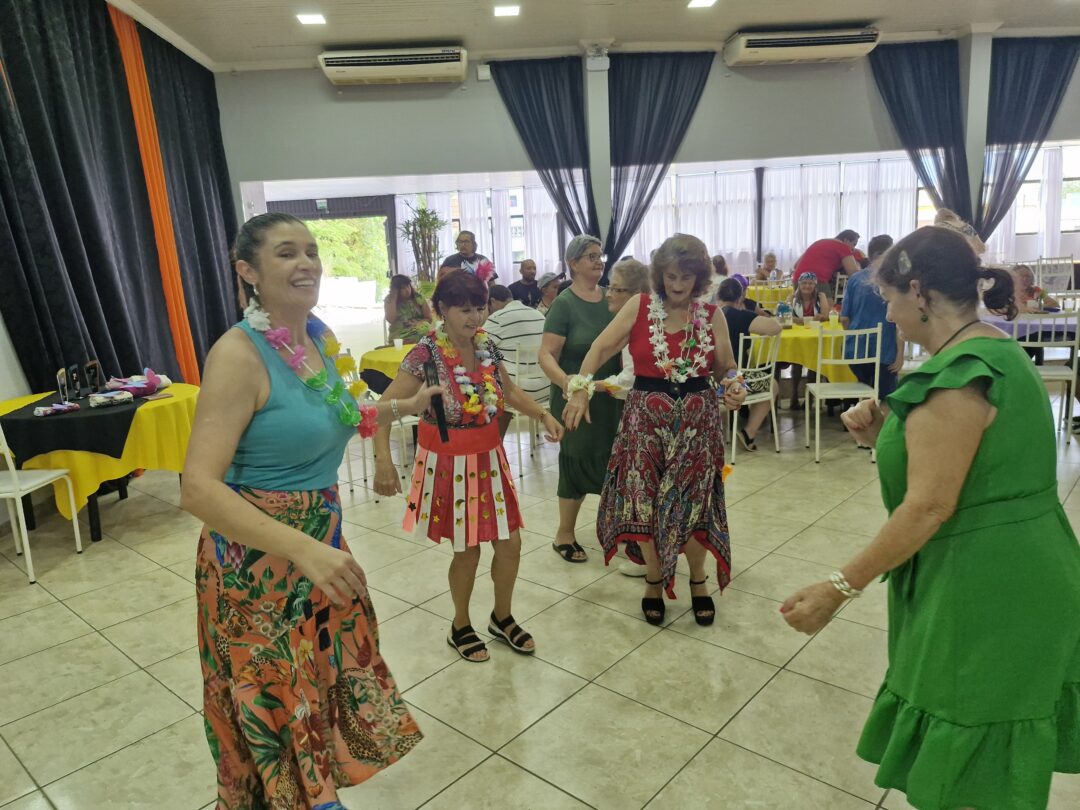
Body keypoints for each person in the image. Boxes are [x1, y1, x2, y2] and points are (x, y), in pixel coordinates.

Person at [781, 225, 1080, 810]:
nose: (889, 315)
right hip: (1022, 564)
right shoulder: (996, 349)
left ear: (919, 292)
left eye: (890, 299)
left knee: (968, 758)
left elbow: (930, 506)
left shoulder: (954, 377)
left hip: (984, 582)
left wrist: (837, 587)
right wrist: (883, 439)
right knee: (986, 753)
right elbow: (972, 473)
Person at [181, 213, 441, 806]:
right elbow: (197, 488)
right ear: (248, 271)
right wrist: (303, 549)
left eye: (312, 251)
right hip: (256, 565)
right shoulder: (239, 354)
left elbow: (337, 413)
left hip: (318, 543)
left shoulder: (318, 339)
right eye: (285, 253)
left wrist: (402, 408)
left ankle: (317, 792)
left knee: (317, 682)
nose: (306, 264)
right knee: (276, 697)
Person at [373, 271, 564, 663]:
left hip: (489, 458)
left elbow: (508, 391)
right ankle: (460, 624)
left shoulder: (486, 345)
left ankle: (501, 617)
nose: (475, 317)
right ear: (442, 309)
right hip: (448, 464)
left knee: (510, 544)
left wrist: (543, 414)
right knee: (468, 550)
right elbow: (383, 410)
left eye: (480, 307)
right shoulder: (424, 354)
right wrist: (384, 462)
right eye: (464, 310)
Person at [565, 234, 746, 625]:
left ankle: (697, 579)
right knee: (643, 504)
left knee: (694, 505)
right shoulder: (640, 306)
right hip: (644, 423)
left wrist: (734, 385)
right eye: (670, 276)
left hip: (697, 426)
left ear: (700, 278)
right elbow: (599, 348)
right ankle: (653, 578)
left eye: (686, 277)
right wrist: (580, 388)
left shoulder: (711, 315)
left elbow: (725, 367)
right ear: (659, 274)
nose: (677, 285)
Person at [539, 235, 620, 563]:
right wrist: (567, 383)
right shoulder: (565, 304)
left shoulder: (612, 298)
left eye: (600, 256)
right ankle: (565, 534)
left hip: (611, 395)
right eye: (591, 256)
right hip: (574, 399)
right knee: (578, 459)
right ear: (573, 264)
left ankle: (618, 530)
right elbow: (546, 354)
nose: (599, 261)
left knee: (614, 460)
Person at [718, 277, 782, 452]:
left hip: (710, 381)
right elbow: (775, 327)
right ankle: (749, 433)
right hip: (736, 380)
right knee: (772, 384)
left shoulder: (711, 316)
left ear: (718, 296)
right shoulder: (741, 316)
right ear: (740, 298)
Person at [841, 235, 905, 399]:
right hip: (885, 349)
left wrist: (853, 336)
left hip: (856, 350)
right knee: (885, 398)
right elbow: (900, 321)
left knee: (865, 392)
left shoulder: (854, 279)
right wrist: (900, 354)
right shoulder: (894, 281)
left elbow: (844, 319)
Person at [483, 284, 548, 436]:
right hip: (546, 387)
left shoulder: (497, 319)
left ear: (492, 302)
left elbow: (478, 347)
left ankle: (494, 442)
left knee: (485, 386)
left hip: (518, 393)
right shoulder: (538, 314)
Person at [785, 272, 830, 409]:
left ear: (815, 285)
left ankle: (809, 398)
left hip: (815, 338)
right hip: (798, 338)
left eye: (810, 283)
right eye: (804, 283)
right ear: (799, 284)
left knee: (813, 366)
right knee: (796, 364)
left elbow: (825, 315)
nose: (807, 286)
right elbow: (786, 316)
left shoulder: (820, 296)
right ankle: (793, 395)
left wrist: (803, 320)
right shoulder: (792, 297)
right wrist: (808, 320)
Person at [794, 230, 860, 300]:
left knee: (802, 306)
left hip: (798, 279)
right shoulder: (843, 247)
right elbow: (854, 274)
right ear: (846, 240)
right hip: (817, 279)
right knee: (828, 306)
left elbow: (796, 265)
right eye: (854, 244)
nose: (853, 249)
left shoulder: (819, 242)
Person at [384, 274, 433, 344]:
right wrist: (393, 298)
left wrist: (419, 323)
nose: (407, 290)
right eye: (402, 288)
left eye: (408, 286)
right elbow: (390, 319)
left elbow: (429, 318)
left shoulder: (418, 297)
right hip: (399, 334)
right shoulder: (389, 299)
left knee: (427, 329)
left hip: (418, 329)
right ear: (396, 290)